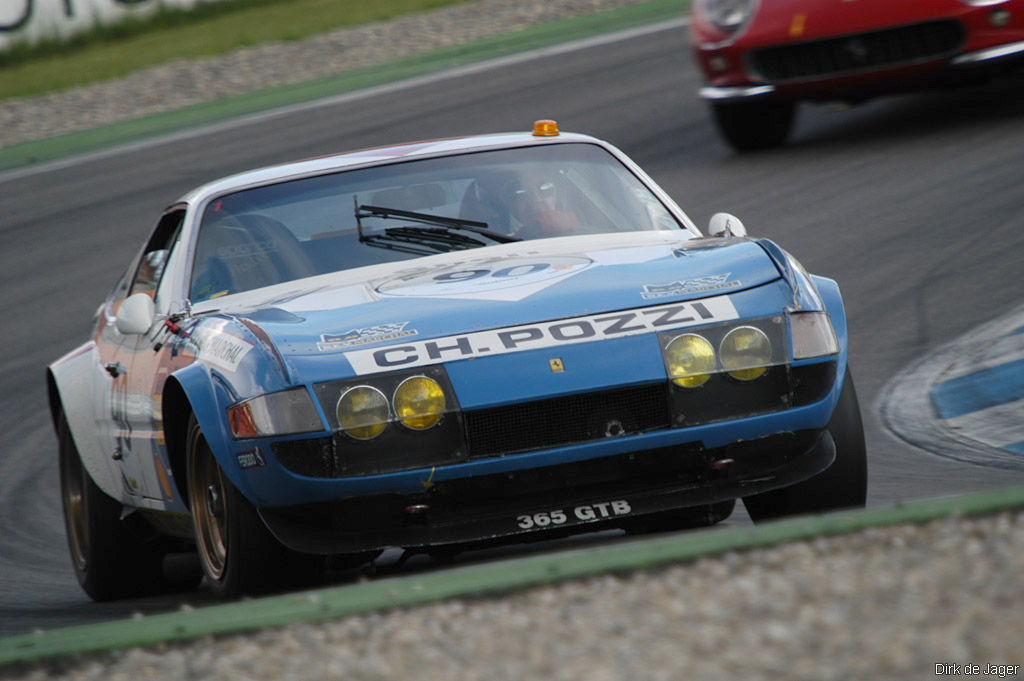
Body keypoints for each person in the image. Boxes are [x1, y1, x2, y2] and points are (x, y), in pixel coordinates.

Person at [501, 174, 579, 239]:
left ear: (555, 197)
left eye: (545, 190)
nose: (536, 199)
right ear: (506, 203)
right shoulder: (498, 247)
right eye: (521, 194)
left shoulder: (582, 234)